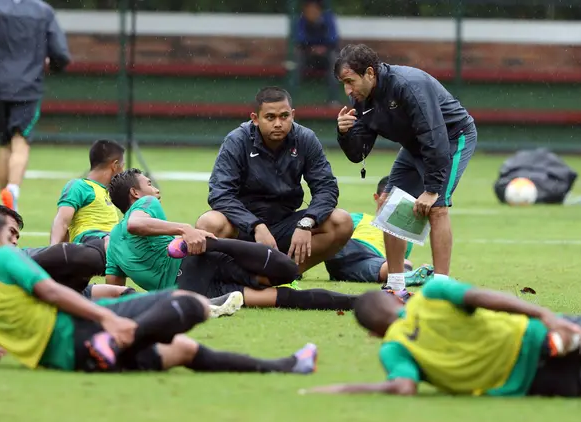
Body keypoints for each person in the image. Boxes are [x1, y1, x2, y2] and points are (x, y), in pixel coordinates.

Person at [0, 209, 318, 374]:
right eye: (6, 236)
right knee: (190, 303)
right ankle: (115, 341)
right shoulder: (1, 261)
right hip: (81, 333)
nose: (11, 243)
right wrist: (108, 320)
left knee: (184, 351)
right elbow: (50, 291)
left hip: (68, 360)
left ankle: (286, 366)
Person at [334, 44, 477, 298]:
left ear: (369, 73)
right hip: (415, 145)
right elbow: (359, 153)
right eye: (343, 83)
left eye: (350, 81)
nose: (347, 89)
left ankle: (441, 287)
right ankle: (396, 286)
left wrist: (432, 189)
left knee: (438, 208)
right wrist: (345, 133)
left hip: (452, 138)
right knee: (388, 204)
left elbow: (434, 135)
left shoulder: (408, 85)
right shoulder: (361, 97)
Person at [106, 168, 357, 312]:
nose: (156, 190)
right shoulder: (145, 204)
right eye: (150, 184)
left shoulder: (113, 247)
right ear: (135, 193)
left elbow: (115, 291)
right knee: (287, 273)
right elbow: (135, 224)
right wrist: (184, 229)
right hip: (200, 265)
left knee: (279, 296)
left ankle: (358, 302)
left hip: (193, 290)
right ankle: (213, 242)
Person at [300, 278, 581, 397]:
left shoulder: (394, 349)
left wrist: (342, 388)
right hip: (535, 336)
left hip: (527, 381)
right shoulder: (431, 295)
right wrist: (545, 315)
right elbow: (481, 296)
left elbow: (403, 387)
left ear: (374, 333)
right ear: (398, 302)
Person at [197, 87, 353, 278]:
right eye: (270, 117)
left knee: (342, 221)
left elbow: (326, 188)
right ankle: (233, 276)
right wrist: (255, 226)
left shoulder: (306, 139)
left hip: (285, 225)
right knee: (209, 223)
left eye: (284, 116)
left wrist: (306, 222)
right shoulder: (237, 140)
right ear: (255, 118)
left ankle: (285, 274)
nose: (278, 123)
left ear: (293, 115)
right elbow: (220, 193)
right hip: (241, 227)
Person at [0, 0, 72, 211]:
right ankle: (13, 189)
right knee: (20, 140)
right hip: (28, 87)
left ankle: (5, 205)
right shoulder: (43, 11)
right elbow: (60, 52)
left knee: (4, 143)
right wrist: (55, 65)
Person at [0, 204, 129, 298]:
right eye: (11, 232)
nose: (15, 240)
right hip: (41, 281)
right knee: (90, 254)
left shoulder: (9, 260)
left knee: (120, 292)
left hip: (47, 280)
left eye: (17, 236)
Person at [324, 175, 434, 285]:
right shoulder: (360, 217)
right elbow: (337, 230)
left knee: (403, 264)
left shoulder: (403, 233)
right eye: (390, 201)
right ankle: (413, 276)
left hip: (369, 262)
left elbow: (396, 261)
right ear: (377, 198)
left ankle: (413, 276)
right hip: (349, 246)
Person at [49, 140, 124, 250]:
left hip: (110, 244)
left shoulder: (108, 193)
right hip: (91, 243)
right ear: (115, 165)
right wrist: (51, 252)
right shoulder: (79, 186)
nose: (123, 171)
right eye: (122, 166)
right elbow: (62, 221)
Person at [295, 0, 340, 104]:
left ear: (319, 10)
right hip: (308, 55)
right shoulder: (302, 20)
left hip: (326, 55)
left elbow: (333, 39)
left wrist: (323, 47)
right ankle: (293, 95)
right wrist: (311, 48)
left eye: (314, 9)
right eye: (308, 9)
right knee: (296, 58)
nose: (311, 12)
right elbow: (300, 39)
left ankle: (333, 98)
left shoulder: (328, 19)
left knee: (335, 59)